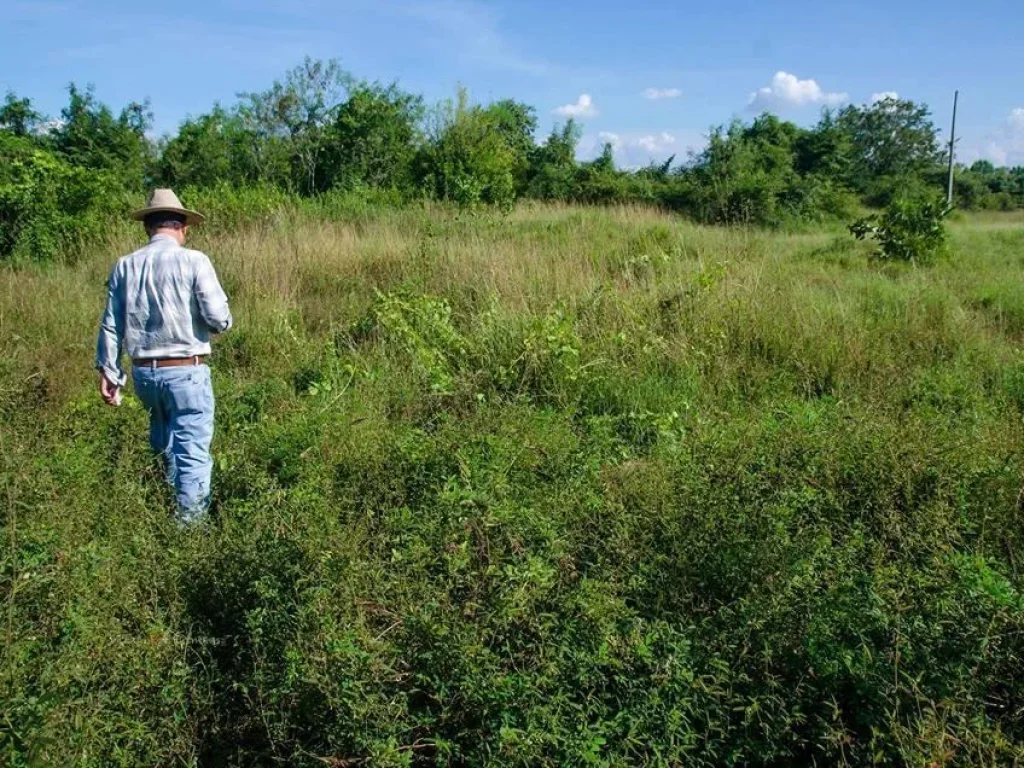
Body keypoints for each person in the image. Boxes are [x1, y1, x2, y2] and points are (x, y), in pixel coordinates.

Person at [95, 189, 232, 524]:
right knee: (193, 452)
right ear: (183, 226)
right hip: (186, 370)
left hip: (144, 374)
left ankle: (168, 504)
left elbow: (111, 324)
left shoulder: (125, 265)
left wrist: (110, 373)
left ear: (148, 228)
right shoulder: (194, 261)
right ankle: (189, 530)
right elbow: (218, 319)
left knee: (164, 439)